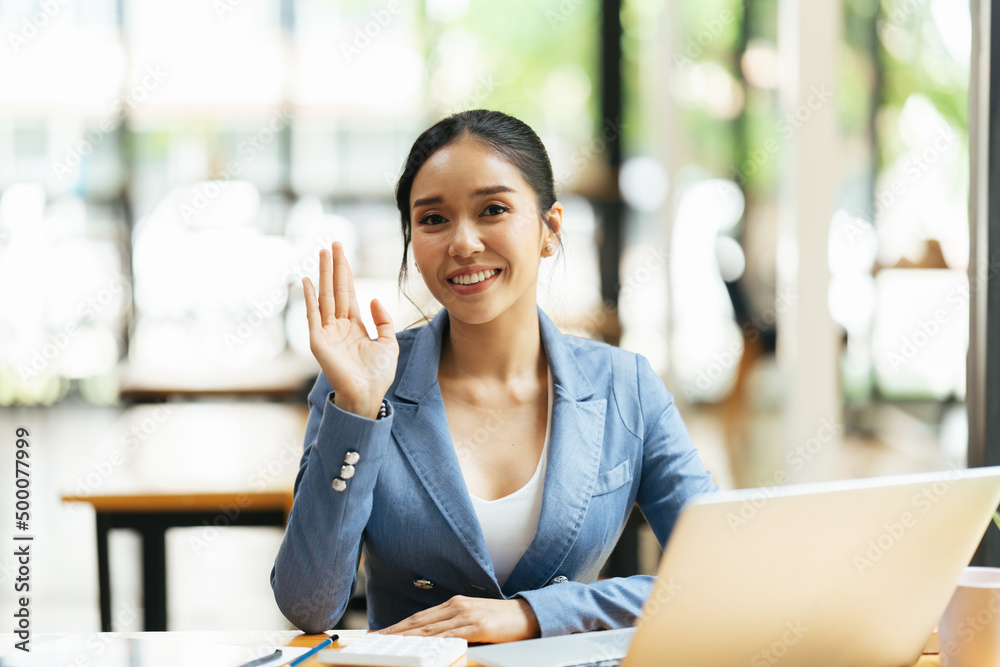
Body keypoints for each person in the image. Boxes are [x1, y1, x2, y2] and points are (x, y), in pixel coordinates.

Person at [269, 109, 718, 643]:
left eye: (493, 209)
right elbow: (309, 605)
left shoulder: (627, 385)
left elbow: (720, 575)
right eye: (433, 219)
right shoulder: (362, 383)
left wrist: (535, 614)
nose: (463, 243)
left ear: (550, 230)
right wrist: (359, 409)